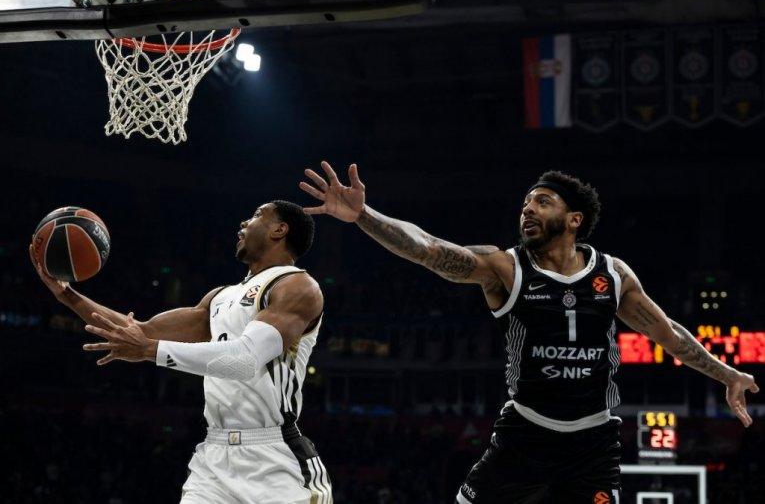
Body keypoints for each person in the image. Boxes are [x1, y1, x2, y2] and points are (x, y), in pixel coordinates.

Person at [299, 162, 759, 504]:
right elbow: (430, 250)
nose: (528, 209)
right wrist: (364, 216)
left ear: (574, 219)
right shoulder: (506, 267)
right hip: (525, 435)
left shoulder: (613, 274)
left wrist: (727, 374)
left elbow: (667, 332)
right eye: (525, 203)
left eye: (542, 202)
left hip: (593, 442)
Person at [29, 200, 333, 504]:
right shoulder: (219, 298)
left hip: (276, 461)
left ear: (279, 230)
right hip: (214, 461)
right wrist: (67, 295)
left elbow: (245, 359)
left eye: (256, 215)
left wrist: (150, 351)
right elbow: (142, 332)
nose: (244, 223)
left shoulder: (298, 286)